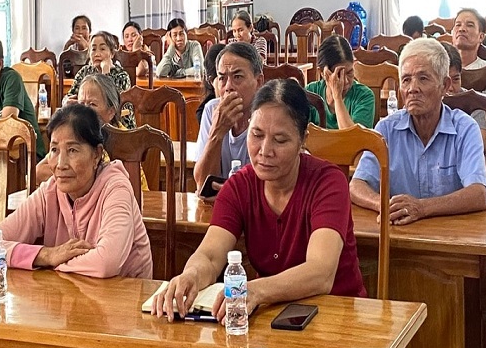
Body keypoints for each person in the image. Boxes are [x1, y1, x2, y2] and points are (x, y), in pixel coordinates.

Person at [153, 79, 366, 322]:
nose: (265, 150)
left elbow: (321, 272)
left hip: (337, 316)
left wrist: (255, 289)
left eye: (280, 140)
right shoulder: (239, 187)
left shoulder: (328, 183)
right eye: (257, 134)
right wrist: (190, 275)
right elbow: (210, 255)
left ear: (302, 140)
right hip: (274, 315)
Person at [0, 103, 152, 279]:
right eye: (54, 150)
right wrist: (46, 255)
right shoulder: (49, 192)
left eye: (72, 150)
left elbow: (106, 263)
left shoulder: (116, 188)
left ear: (96, 154)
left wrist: (51, 264)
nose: (61, 164)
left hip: (125, 300)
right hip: (72, 297)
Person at [350, 39, 486, 225]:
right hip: (398, 233)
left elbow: (478, 194)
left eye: (423, 78)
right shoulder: (386, 129)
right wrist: (385, 205)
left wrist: (422, 208)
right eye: (406, 80)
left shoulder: (465, 129)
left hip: (452, 237)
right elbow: (357, 185)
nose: (412, 89)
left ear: (445, 86)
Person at [38, 74, 147, 190]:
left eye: (92, 104)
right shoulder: (76, 132)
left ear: (111, 111)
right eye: (81, 104)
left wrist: (79, 176)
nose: (85, 111)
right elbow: (39, 171)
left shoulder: (125, 139)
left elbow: (121, 183)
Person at [194, 42, 264, 190]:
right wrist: (217, 132)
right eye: (222, 78)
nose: (228, 87)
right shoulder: (212, 110)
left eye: (237, 77)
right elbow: (202, 184)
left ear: (258, 82)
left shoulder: (268, 115)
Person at [65, 31, 134, 128]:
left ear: (112, 53)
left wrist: (105, 72)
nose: (97, 54)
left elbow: (114, 106)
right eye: (93, 49)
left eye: (102, 49)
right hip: (87, 122)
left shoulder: (122, 75)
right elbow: (69, 96)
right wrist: (67, 102)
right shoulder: (84, 72)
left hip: (118, 124)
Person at [305, 35, 374, 129]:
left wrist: (337, 97)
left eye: (349, 72)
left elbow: (354, 139)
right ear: (322, 73)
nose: (345, 81)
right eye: (338, 75)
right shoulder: (311, 92)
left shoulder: (364, 95)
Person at [442, 42, 486, 149]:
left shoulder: (473, 102)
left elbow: (481, 144)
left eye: (455, 79)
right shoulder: (422, 101)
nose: (450, 87)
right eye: (444, 81)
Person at [453, 8, 486, 101]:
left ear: (481, 37)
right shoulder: (440, 69)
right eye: (458, 25)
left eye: (469, 25)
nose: (461, 29)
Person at [196, 43, 226, 124]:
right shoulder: (206, 111)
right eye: (222, 79)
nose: (229, 85)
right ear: (211, 81)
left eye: (236, 77)